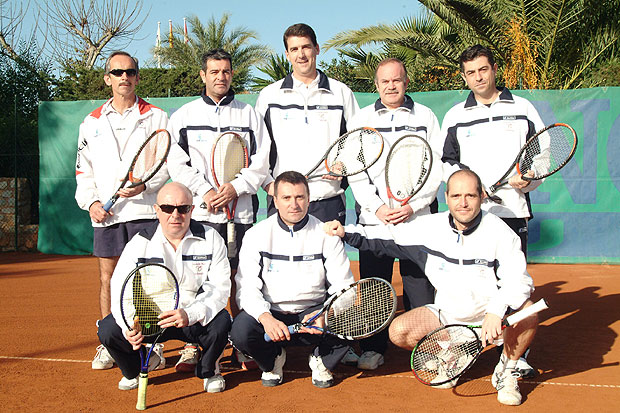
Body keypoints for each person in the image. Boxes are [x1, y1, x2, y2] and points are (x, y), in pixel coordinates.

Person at [324, 170, 539, 406]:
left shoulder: (500, 232)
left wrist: (496, 311)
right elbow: (386, 235)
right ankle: (456, 352)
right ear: (446, 197)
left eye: (470, 195)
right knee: (399, 331)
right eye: (456, 196)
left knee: (528, 311)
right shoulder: (430, 227)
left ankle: (506, 370)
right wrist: (345, 232)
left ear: (481, 197)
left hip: (492, 318)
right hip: (449, 316)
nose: (463, 203)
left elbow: (519, 281)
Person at [440, 44, 544, 377]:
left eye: (483, 69)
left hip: (512, 213)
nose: (478, 77)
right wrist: (467, 186)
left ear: (494, 69)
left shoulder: (523, 107)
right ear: (464, 76)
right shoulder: (456, 115)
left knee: (515, 283)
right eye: (470, 72)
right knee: (470, 282)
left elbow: (540, 154)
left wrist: (528, 178)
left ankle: (518, 353)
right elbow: (447, 162)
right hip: (471, 216)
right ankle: (462, 345)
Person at [167, 48, 269, 370]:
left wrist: (235, 187)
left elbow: (263, 160)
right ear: (203, 75)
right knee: (196, 279)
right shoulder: (183, 116)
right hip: (200, 214)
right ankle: (194, 344)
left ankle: (240, 343)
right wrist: (206, 190)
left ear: (231, 74)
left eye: (225, 71)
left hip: (241, 215)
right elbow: (176, 163)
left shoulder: (248, 114)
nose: (220, 77)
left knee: (241, 277)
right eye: (214, 72)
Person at [345, 58, 443, 370]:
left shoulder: (425, 115)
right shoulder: (362, 118)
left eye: (397, 80)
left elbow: (436, 166)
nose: (391, 86)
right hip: (376, 222)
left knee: (420, 287)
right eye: (385, 81)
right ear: (376, 85)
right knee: (374, 288)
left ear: (406, 82)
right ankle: (373, 349)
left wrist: (414, 205)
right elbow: (355, 171)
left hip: (418, 221)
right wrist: (378, 208)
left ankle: (427, 351)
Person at [75, 51, 169, 371]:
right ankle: (109, 344)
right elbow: (82, 169)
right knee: (108, 278)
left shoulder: (156, 117)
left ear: (138, 77)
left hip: (144, 211)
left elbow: (165, 164)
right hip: (108, 215)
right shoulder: (91, 122)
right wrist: (91, 203)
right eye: (117, 72)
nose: (124, 77)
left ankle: (152, 344)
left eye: (130, 72)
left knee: (148, 281)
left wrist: (145, 186)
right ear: (107, 78)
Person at [97, 182, 232, 393]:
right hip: (150, 319)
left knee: (222, 320)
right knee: (108, 330)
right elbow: (120, 288)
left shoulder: (211, 238)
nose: (175, 214)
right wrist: (127, 327)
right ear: (157, 210)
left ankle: (208, 370)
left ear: (192, 210)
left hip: (190, 317)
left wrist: (190, 313)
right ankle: (135, 370)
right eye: (168, 208)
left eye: (183, 208)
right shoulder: (139, 242)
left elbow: (220, 288)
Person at [229, 171, 354, 388]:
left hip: (313, 316)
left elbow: (344, 286)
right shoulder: (256, 234)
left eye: (299, 197)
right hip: (273, 315)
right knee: (241, 331)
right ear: (275, 201)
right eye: (286, 198)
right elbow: (246, 287)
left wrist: (325, 313)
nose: (293, 204)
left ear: (308, 199)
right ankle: (273, 359)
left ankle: (321, 359)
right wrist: (266, 318)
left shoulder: (327, 235)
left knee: (354, 319)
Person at [255, 23, 359, 224]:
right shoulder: (269, 95)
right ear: (287, 54)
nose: (301, 54)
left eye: (306, 47)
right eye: (294, 49)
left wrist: (343, 166)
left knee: (328, 256)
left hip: (327, 200)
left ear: (316, 49)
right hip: (283, 201)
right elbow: (257, 146)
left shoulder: (341, 92)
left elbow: (356, 141)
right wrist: (269, 184)